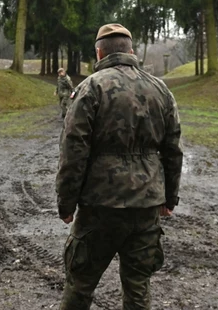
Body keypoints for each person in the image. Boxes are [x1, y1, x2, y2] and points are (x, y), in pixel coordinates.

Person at [56, 23, 183, 310]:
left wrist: (66, 203)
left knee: (80, 284)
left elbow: (73, 151)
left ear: (99, 52)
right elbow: (173, 149)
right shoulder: (160, 90)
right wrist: (170, 197)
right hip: (147, 205)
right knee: (138, 287)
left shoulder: (90, 88)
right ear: (132, 51)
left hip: (100, 206)